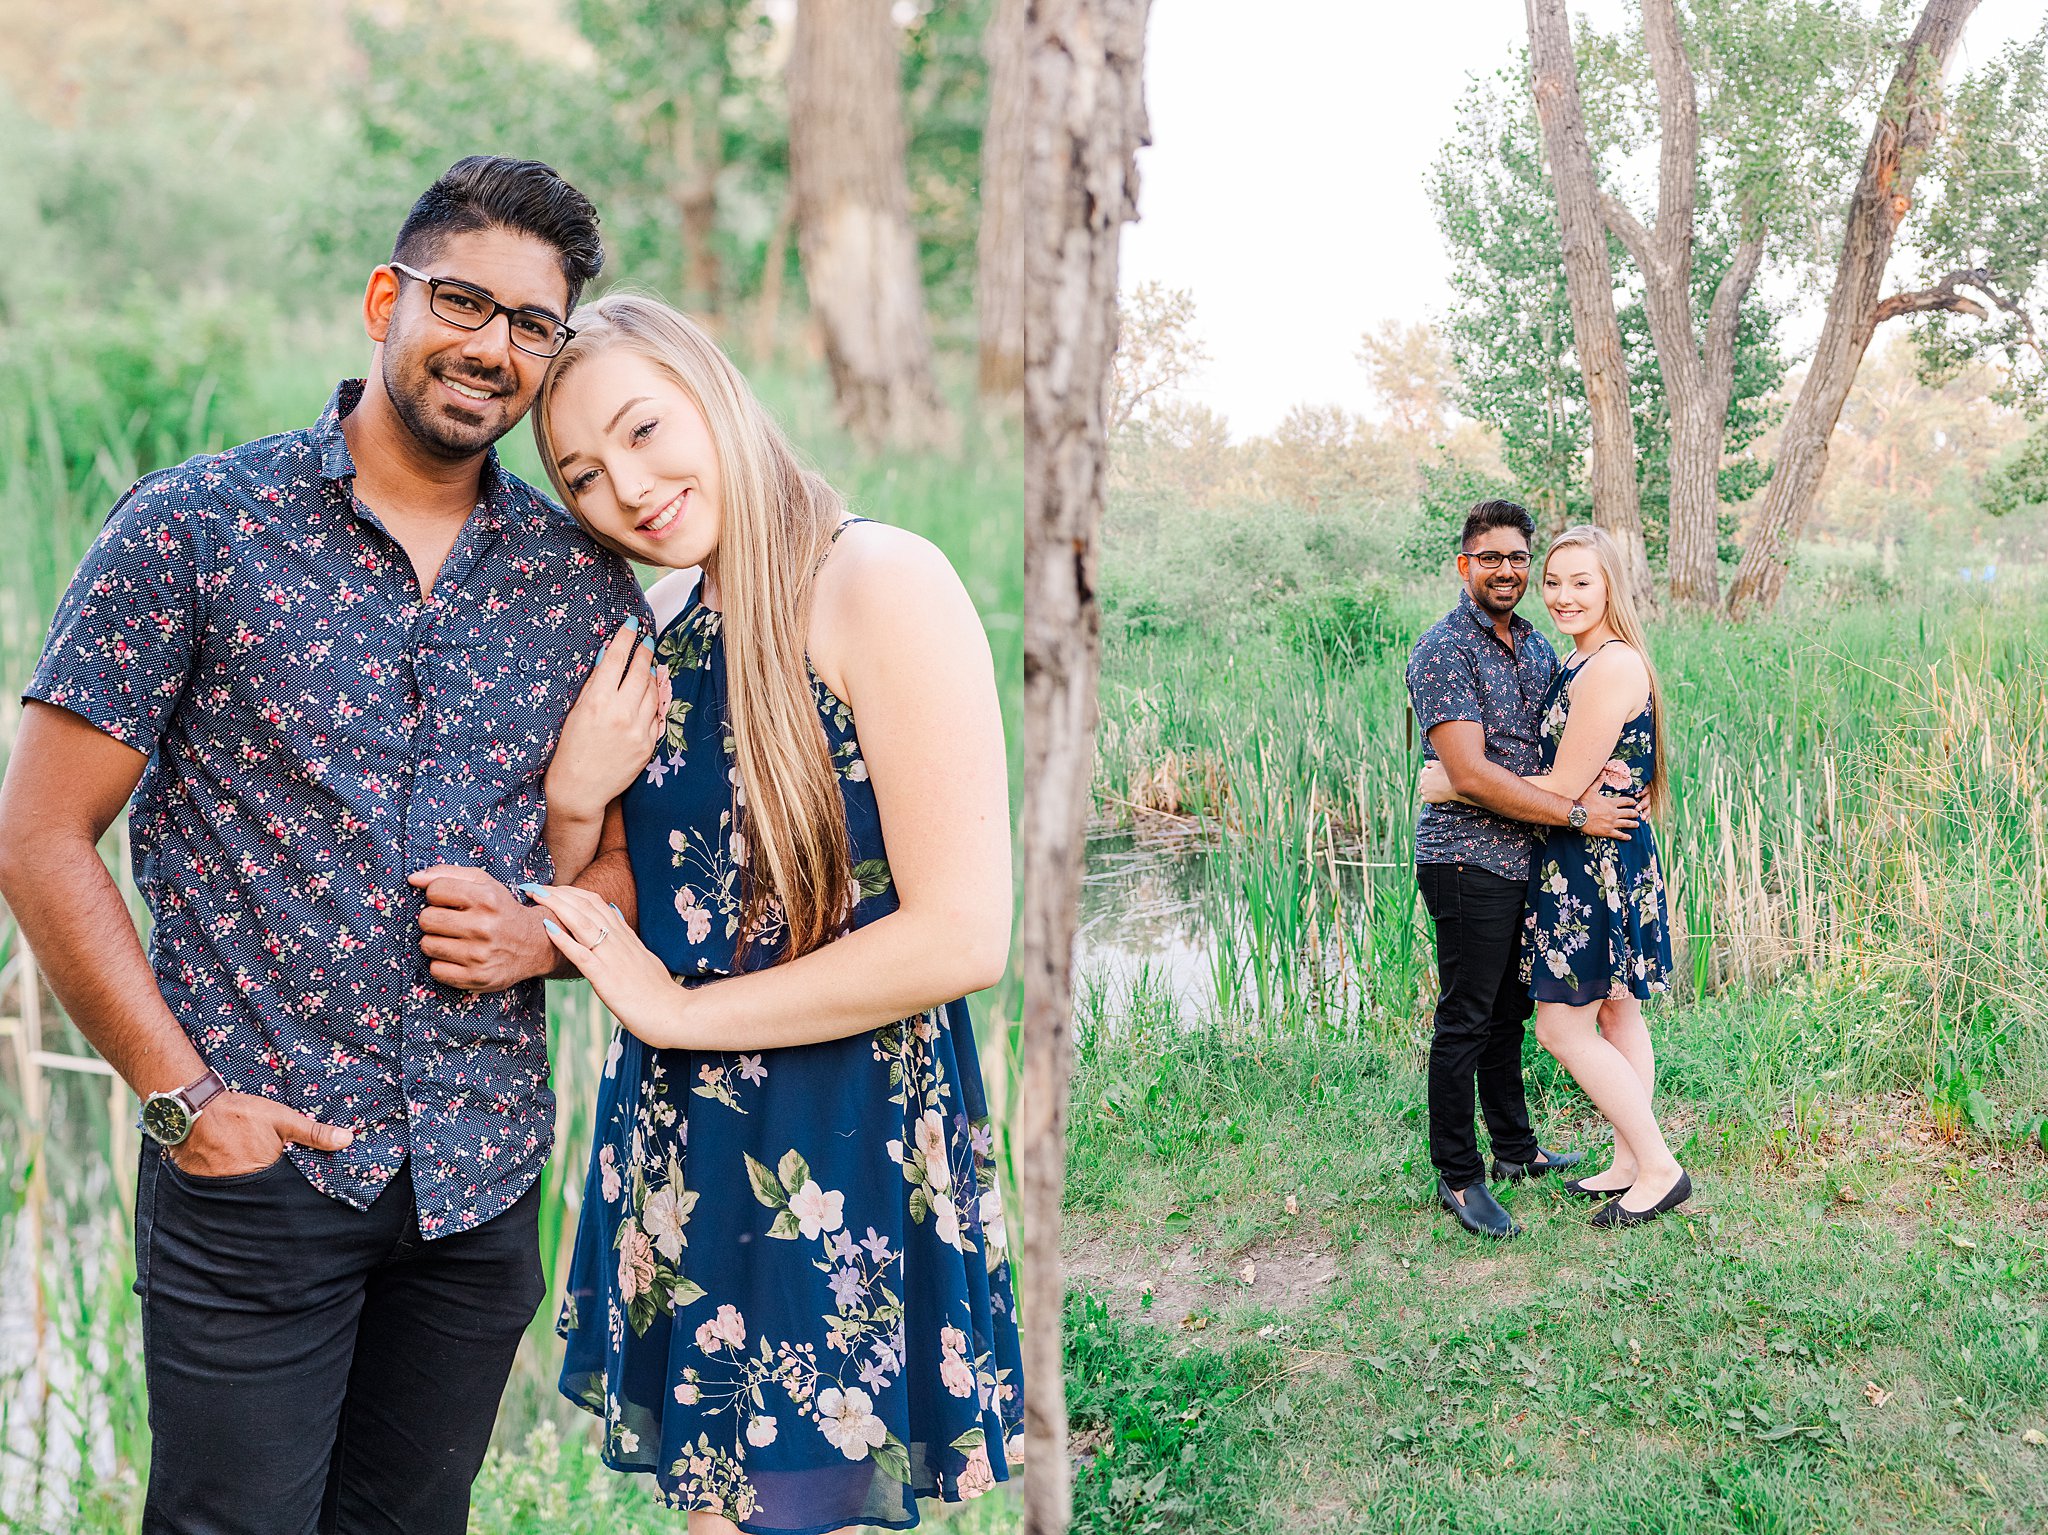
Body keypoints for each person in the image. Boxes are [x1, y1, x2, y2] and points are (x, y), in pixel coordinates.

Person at [0, 156, 654, 1534]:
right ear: (385, 298)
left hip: (478, 1180)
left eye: (530, 324)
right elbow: (42, 835)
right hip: (259, 1161)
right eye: (463, 300)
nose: (491, 346)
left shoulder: (582, 581)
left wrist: (548, 930)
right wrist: (183, 1102)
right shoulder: (193, 527)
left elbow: (627, 868)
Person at [512, 293, 1022, 1531]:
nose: (625, 489)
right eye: (581, 474)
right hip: (692, 1135)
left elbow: (965, 933)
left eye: (643, 430)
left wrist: (680, 1016)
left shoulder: (877, 579)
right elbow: (616, 912)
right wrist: (574, 797)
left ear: (713, 391)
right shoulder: (668, 637)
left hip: (834, 1126)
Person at [1423, 525, 1687, 1227]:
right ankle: (1630, 1159)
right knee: (1616, 1009)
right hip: (1586, 850)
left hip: (1594, 859)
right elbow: (1574, 779)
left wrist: (1450, 783)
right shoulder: (1577, 659)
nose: (1565, 596)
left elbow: (1567, 781)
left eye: (1583, 582)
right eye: (1556, 582)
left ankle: (1658, 1166)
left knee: (1561, 1030)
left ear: (1609, 588)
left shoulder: (1612, 666)